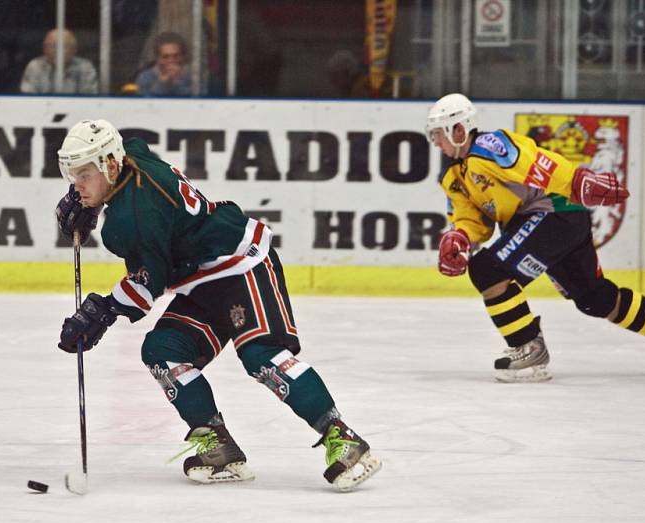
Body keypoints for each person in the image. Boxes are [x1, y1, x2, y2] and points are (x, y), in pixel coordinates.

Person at [53, 119, 381, 490]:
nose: (76, 186)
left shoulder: (130, 219)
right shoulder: (132, 157)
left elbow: (148, 286)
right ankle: (217, 442)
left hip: (240, 263)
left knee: (261, 355)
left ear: (111, 165)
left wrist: (105, 309)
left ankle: (344, 438)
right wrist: (93, 200)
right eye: (72, 175)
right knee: (163, 351)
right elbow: (137, 143)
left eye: (84, 174)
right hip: (202, 278)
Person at [426, 93, 645, 383]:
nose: (435, 141)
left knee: (487, 270)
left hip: (553, 213)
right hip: (557, 221)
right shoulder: (451, 177)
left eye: (438, 133)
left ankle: (527, 346)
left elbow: (536, 161)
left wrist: (575, 181)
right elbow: (474, 221)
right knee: (593, 298)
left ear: (459, 129)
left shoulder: (488, 147)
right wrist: (460, 237)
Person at [20, 28, 98, 94]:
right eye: (52, 46)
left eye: (62, 46)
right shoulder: (35, 66)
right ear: (44, 49)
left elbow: (89, 100)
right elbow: (29, 99)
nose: (57, 51)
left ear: (74, 50)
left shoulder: (85, 67)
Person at [133, 32, 192, 96]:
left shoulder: (193, 76)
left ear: (182, 56)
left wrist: (176, 82)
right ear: (157, 59)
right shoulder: (145, 77)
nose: (171, 60)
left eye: (176, 56)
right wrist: (163, 82)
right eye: (165, 57)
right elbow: (144, 103)